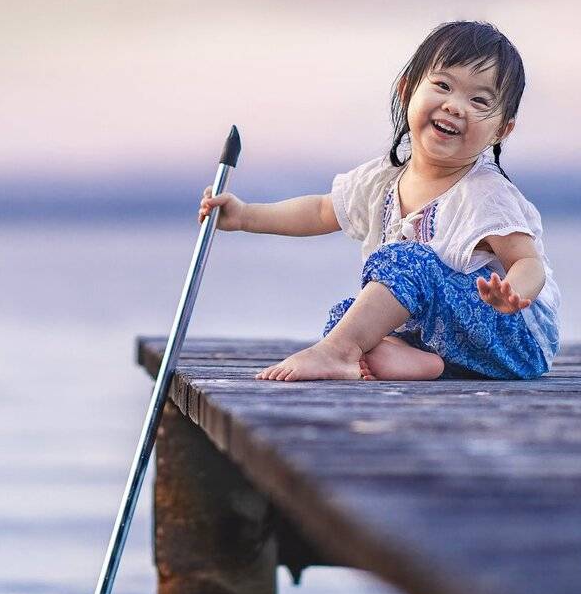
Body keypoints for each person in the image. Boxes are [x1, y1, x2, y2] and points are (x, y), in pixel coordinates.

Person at [198, 20, 560, 381]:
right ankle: (422, 363)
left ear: (501, 130)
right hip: (453, 340)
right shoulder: (382, 179)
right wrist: (245, 216)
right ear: (407, 90)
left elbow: (528, 261)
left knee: (406, 263)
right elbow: (321, 210)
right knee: (349, 315)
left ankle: (336, 351)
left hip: (513, 336)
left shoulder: (485, 193)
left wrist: (511, 293)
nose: (454, 106)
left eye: (479, 100)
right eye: (443, 85)